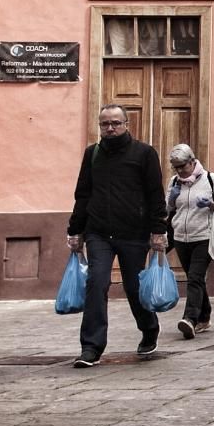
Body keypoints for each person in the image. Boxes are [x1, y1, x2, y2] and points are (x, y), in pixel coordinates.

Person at [67, 104, 168, 368]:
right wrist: (75, 231)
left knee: (134, 288)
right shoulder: (92, 155)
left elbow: (155, 194)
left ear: (126, 124)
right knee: (96, 283)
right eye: (104, 124)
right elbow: (83, 194)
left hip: (134, 233)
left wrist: (158, 230)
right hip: (98, 232)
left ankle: (149, 329)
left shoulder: (144, 153)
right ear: (99, 126)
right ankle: (91, 347)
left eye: (115, 123)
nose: (110, 128)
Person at [166, 144, 214, 340]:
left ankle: (190, 319)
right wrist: (171, 199)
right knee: (196, 279)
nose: (179, 171)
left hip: (205, 236)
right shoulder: (174, 181)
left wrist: (211, 205)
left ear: (192, 162)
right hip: (181, 237)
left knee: (194, 277)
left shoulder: (212, 179)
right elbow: (167, 208)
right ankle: (205, 316)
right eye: (175, 167)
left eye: (182, 166)